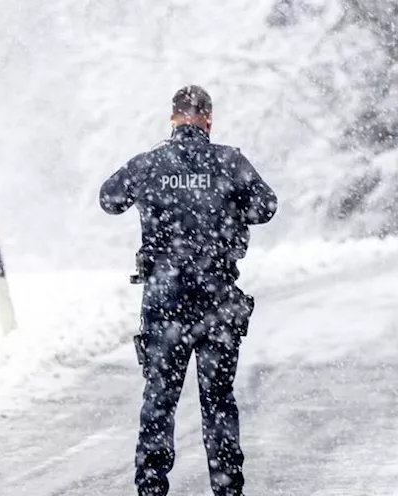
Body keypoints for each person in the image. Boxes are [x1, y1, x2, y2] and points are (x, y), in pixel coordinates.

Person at [100, 85, 278, 496]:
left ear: (173, 118)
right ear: (209, 120)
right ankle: (227, 487)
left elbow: (109, 199)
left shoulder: (150, 163)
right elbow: (265, 207)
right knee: (218, 398)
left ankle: (150, 486)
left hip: (165, 301)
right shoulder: (229, 161)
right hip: (217, 301)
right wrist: (229, 210)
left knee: (159, 399)